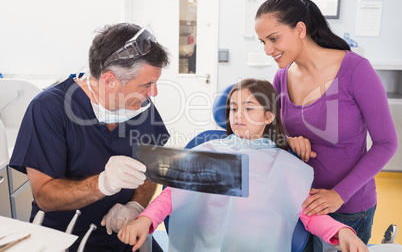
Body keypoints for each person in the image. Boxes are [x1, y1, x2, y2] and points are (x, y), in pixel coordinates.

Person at [117, 79, 368, 252]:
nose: (238, 115)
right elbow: (174, 195)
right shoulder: (211, 150)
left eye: (249, 108)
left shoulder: (283, 165)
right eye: (234, 108)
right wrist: (145, 219)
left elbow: (307, 212)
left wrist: (341, 232)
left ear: (268, 117)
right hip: (204, 244)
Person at [254, 0, 398, 250]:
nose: (267, 50)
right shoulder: (281, 78)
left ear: (300, 29)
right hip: (300, 206)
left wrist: (339, 195)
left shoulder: (356, 70)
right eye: (263, 41)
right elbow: (273, 135)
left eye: (273, 39)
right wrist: (287, 140)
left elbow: (386, 143)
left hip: (349, 208)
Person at [9, 23, 170, 251]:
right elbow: (45, 195)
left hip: (119, 241)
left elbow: (150, 171)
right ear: (110, 80)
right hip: (62, 242)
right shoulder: (49, 108)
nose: (153, 93)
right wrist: (102, 184)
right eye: (147, 84)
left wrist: (135, 205)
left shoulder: (141, 107)